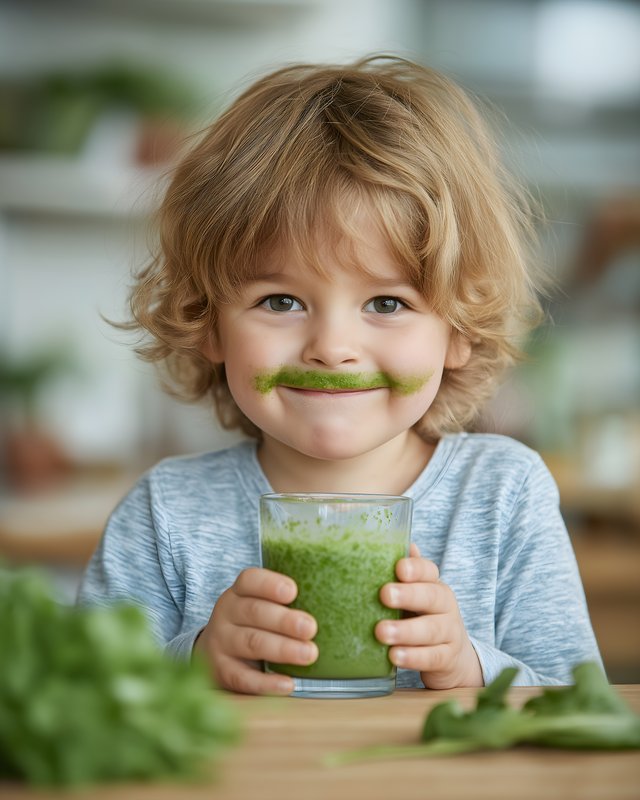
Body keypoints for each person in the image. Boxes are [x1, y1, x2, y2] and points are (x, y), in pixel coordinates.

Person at [77, 55, 602, 694]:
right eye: (280, 301)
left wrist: (472, 669)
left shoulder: (502, 497)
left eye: (387, 303)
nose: (332, 348)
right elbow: (77, 707)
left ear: (458, 329)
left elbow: (580, 707)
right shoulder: (167, 514)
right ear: (209, 324)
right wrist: (191, 662)